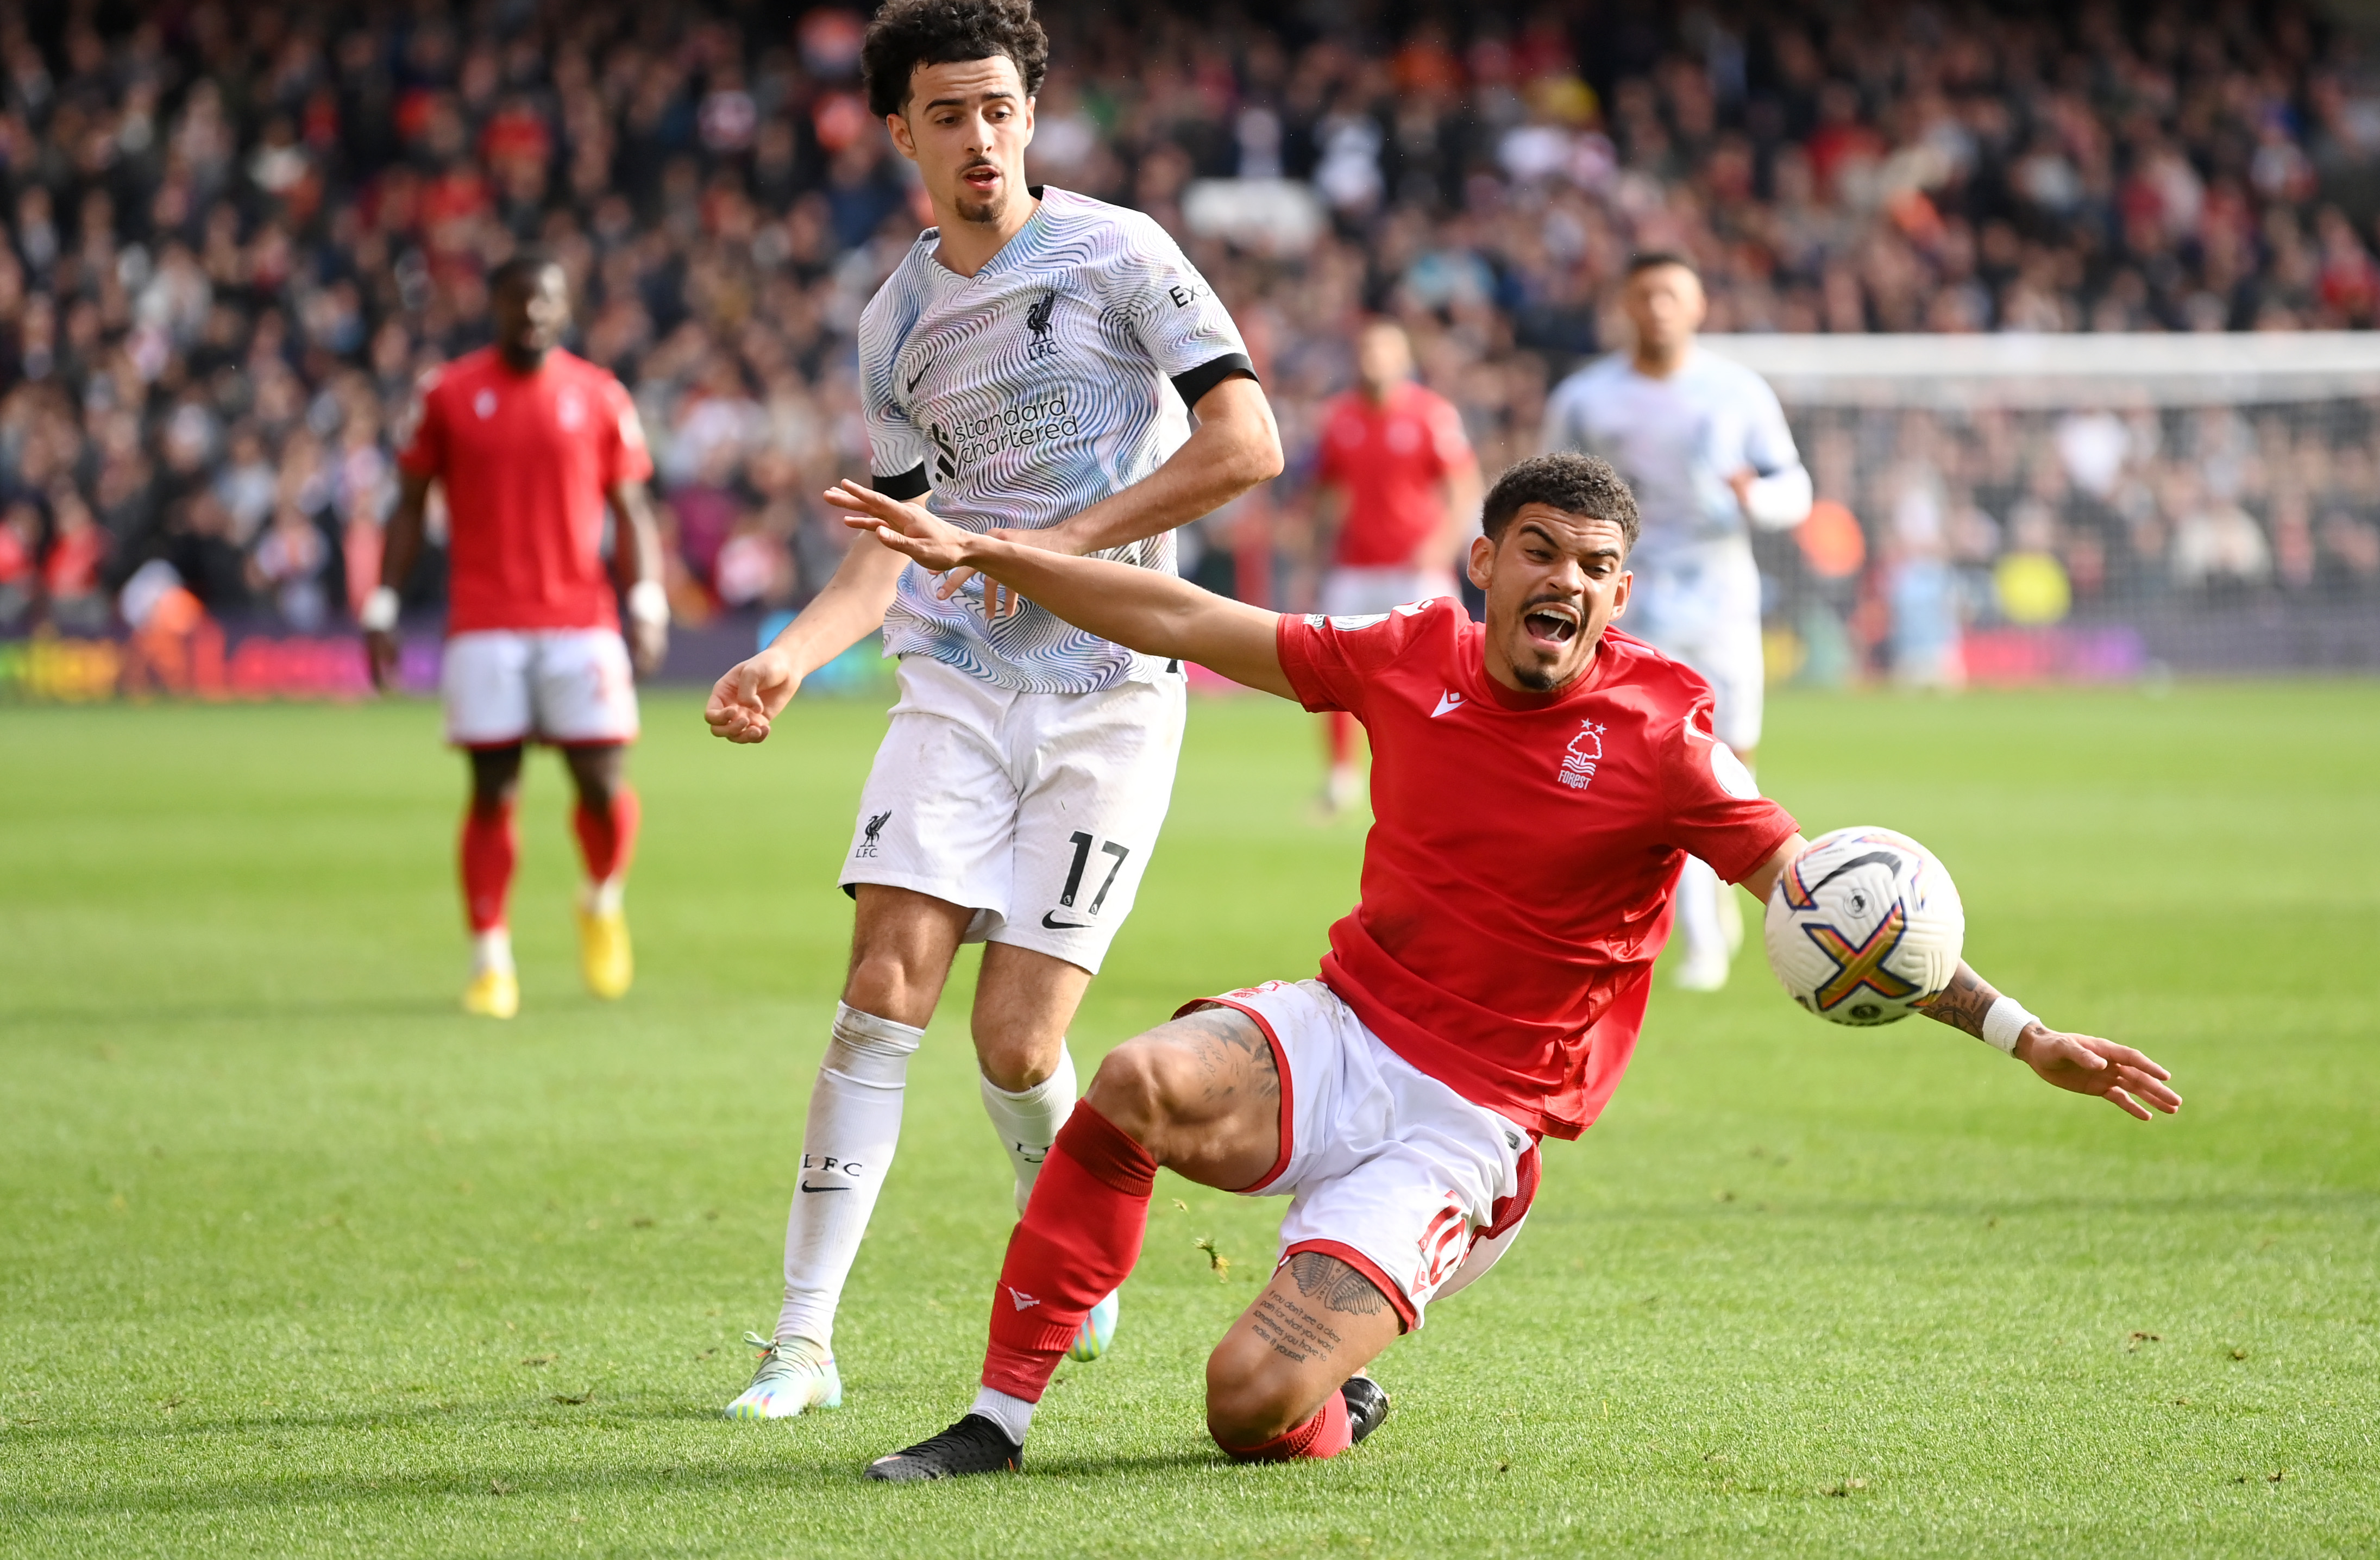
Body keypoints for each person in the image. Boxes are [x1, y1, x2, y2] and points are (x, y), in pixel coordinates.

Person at [824, 453, 2180, 1481]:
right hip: (1346, 1025)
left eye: (1594, 566)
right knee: (1132, 1079)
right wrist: (987, 548)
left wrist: (2017, 1031)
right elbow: (1183, 618)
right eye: (1541, 553)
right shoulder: (1408, 655)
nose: (1567, 584)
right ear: (1485, 563)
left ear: (1619, 591)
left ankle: (1328, 1388)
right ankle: (997, 1420)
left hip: (1472, 1121)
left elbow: (1836, 907)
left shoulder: (1664, 735)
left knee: (1243, 1408)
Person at [700, 0, 1283, 1422]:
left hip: (1111, 685)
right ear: (897, 130)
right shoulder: (895, 318)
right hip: (953, 680)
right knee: (880, 994)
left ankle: (1064, 1255)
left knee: (1017, 1045)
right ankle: (800, 1343)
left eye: (1001, 111)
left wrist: (1052, 552)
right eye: (949, 114)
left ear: (1033, 116)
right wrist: (790, 650)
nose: (981, 139)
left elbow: (1247, 441)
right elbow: (895, 540)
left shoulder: (1119, 252)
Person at [363, 252, 666, 1020]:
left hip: (581, 620)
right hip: (486, 622)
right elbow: (407, 505)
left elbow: (631, 510)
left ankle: (601, 898)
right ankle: (491, 958)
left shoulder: (599, 396)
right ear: (494, 306)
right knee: (492, 790)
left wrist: (649, 600)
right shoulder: (449, 394)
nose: (531, 315)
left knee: (601, 784)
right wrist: (383, 607)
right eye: (517, 302)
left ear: (565, 310)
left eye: (546, 303)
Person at [1540, 250, 1813, 992]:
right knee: (1664, 759)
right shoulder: (1586, 399)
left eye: (1672, 294)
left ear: (1697, 306)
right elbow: (1550, 489)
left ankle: (1723, 887)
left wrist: (1758, 497)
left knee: (1735, 762)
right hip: (1633, 597)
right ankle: (1697, 936)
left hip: (1723, 596)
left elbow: (1795, 485)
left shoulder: (1737, 391)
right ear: (1624, 306)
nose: (1657, 307)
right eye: (1644, 294)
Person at [1301, 318, 1480, 815]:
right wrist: (1315, 552)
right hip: (1355, 566)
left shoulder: (1431, 415)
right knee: (1330, 665)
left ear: (1404, 360)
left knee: (1445, 670)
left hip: (1415, 566)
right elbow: (1326, 492)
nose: (1373, 360)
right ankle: (1341, 778)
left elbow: (1465, 488)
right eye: (1366, 350)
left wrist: (1442, 545)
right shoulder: (1337, 418)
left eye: (1383, 351)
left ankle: (1450, 772)